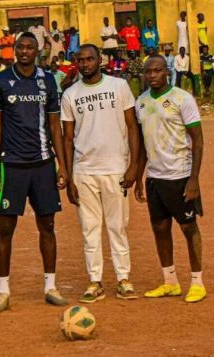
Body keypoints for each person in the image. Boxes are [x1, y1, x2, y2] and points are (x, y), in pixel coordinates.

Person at [0, 32, 68, 312]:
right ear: (14, 51)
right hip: (13, 166)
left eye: (29, 48)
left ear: (38, 51)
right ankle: (3, 290)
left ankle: (50, 286)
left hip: (44, 165)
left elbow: (55, 124)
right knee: (6, 228)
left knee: (47, 226)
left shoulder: (47, 81)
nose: (23, 51)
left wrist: (63, 165)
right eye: (19, 47)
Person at [62, 43, 140, 303]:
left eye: (89, 59)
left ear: (100, 60)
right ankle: (95, 281)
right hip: (84, 171)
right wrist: (70, 175)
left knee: (118, 227)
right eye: (80, 60)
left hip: (115, 168)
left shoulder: (119, 87)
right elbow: (67, 138)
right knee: (89, 229)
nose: (85, 64)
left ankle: (123, 279)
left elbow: (132, 127)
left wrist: (133, 166)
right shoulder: (70, 94)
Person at [135, 55, 206, 303]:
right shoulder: (141, 102)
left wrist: (194, 179)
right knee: (160, 228)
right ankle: (170, 281)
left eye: (157, 71)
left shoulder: (182, 99)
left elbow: (197, 141)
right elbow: (143, 144)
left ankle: (197, 282)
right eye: (148, 72)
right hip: (155, 177)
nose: (152, 75)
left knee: (189, 228)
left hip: (180, 175)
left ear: (167, 72)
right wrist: (139, 177)